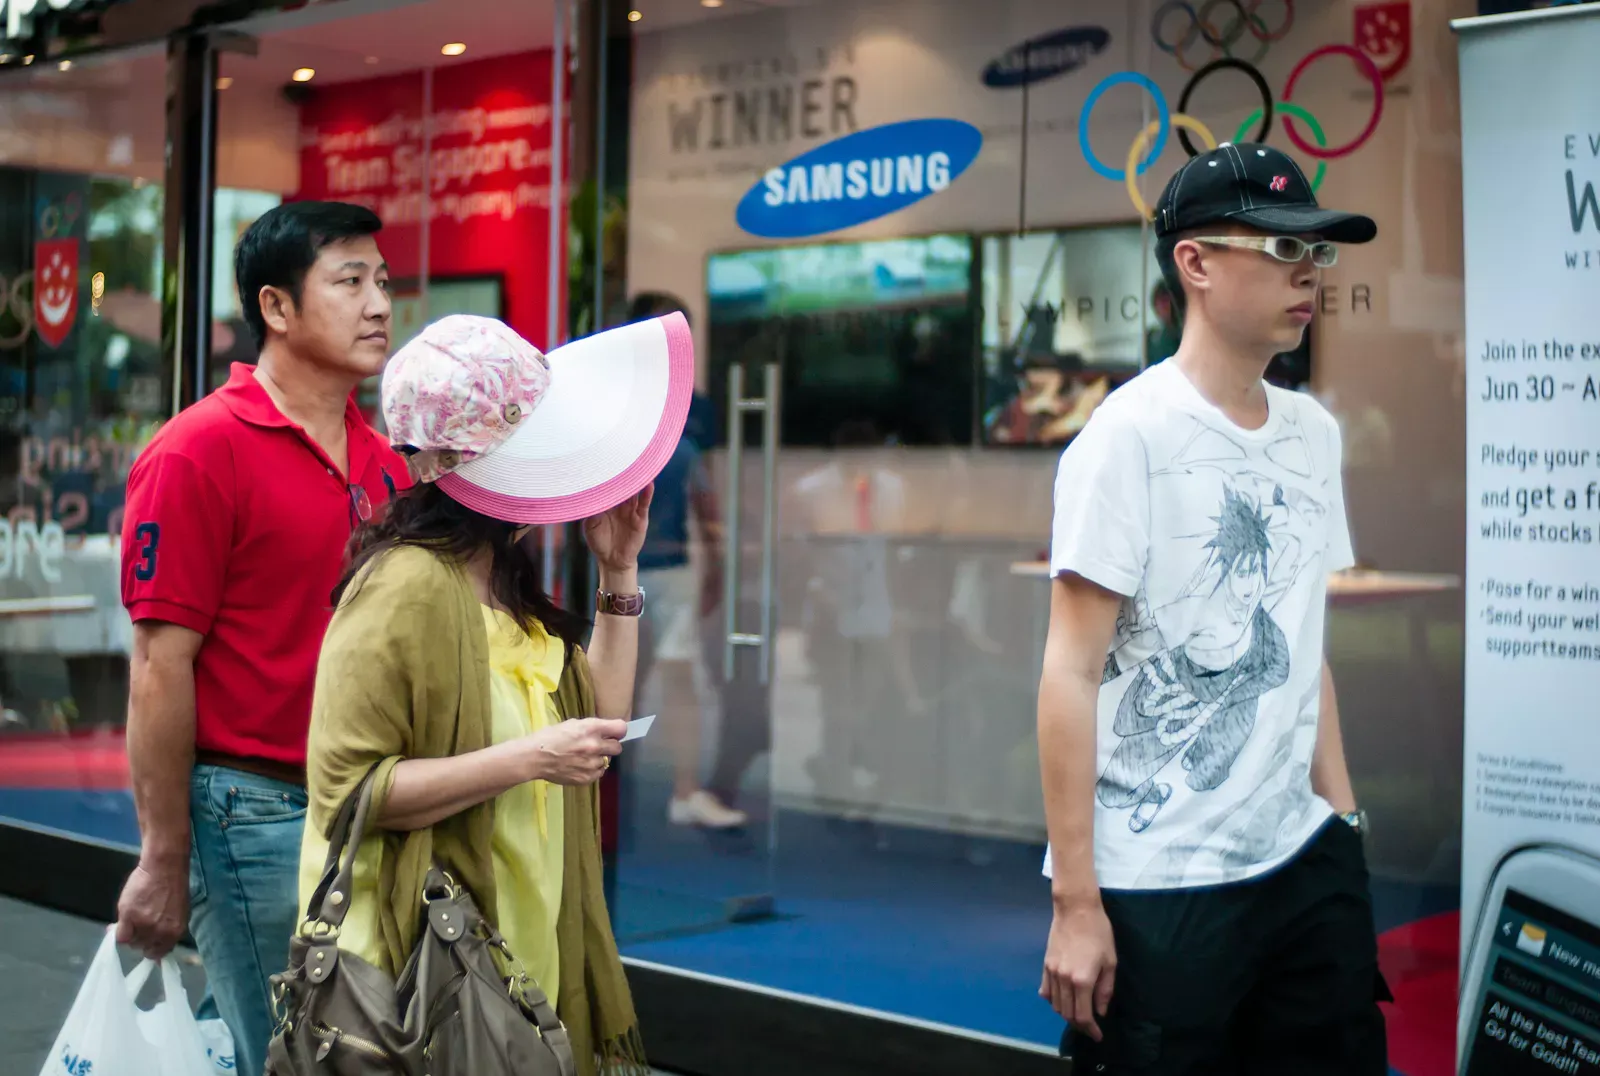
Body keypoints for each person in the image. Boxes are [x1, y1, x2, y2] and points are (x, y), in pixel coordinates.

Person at [1036, 143, 1388, 1075]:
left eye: (1318, 253)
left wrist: (1343, 826)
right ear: (1194, 263)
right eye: (1281, 251)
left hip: (1303, 859)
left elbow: (1304, 645)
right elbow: (1069, 673)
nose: (1308, 273)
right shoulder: (1127, 437)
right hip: (1162, 880)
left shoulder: (1312, 433)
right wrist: (1078, 901)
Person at [297, 311, 693, 1073]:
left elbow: (597, 728)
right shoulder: (405, 584)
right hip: (429, 970)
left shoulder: (500, 578)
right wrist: (528, 757)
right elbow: (347, 793)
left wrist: (619, 574)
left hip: (519, 939)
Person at [114, 201, 408, 1076]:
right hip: (252, 813)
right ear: (276, 307)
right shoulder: (196, 451)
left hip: (365, 809)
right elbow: (159, 672)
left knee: (325, 1053)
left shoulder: (387, 462)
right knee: (301, 1058)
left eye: (383, 281)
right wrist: (163, 860)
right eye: (349, 281)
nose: (379, 303)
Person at [622, 291, 744, 828]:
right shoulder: (613, 399)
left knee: (679, 676)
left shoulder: (697, 407)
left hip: (672, 566)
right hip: (619, 564)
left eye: (680, 332)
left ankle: (685, 789)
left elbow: (706, 491)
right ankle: (602, 786)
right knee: (618, 675)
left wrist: (715, 563)